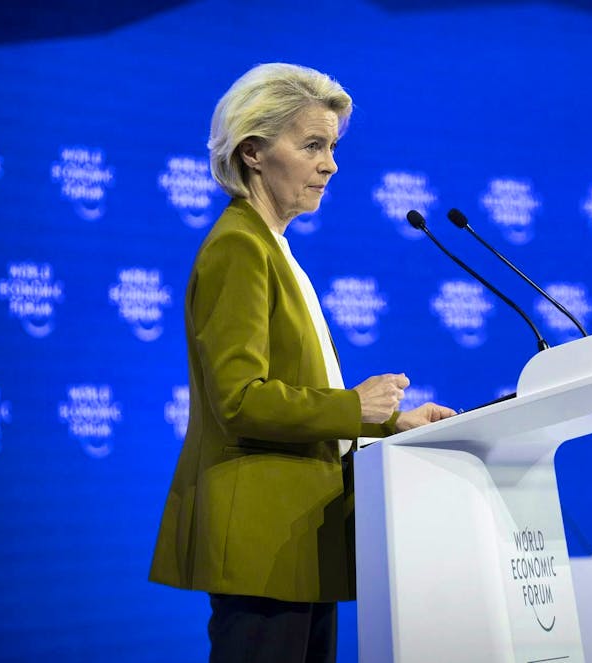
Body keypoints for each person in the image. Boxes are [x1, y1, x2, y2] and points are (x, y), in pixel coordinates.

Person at [149, 62, 456, 663]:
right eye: (313, 145)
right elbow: (239, 400)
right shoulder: (238, 247)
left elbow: (292, 396)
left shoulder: (272, 247)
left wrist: (388, 423)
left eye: (332, 146)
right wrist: (352, 407)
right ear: (254, 152)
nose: (330, 164)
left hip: (300, 540)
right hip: (263, 542)